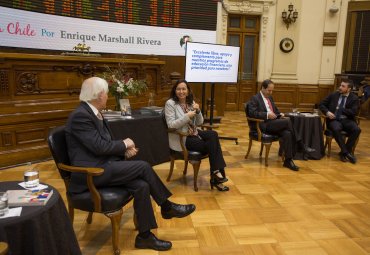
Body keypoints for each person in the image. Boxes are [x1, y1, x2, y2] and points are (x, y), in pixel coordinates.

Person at [65, 77, 196, 251]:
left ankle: (145, 236)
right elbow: (99, 146)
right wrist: (125, 144)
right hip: (91, 173)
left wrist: (122, 151)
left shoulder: (93, 112)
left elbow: (99, 144)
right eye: (105, 93)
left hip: (104, 165)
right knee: (142, 166)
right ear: (98, 95)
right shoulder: (81, 116)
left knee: (141, 186)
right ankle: (166, 206)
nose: (107, 96)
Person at [164, 79, 229, 191]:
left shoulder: (190, 102)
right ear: (175, 91)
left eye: (184, 89)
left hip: (194, 132)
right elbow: (171, 125)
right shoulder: (170, 104)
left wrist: (198, 111)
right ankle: (216, 176)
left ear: (188, 91)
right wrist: (187, 116)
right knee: (213, 146)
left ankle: (215, 173)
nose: (181, 91)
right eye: (178, 89)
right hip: (183, 137)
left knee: (213, 134)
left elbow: (199, 123)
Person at [247, 79, 315, 171]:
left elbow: (275, 110)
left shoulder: (270, 98)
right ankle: (300, 145)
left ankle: (288, 161)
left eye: (272, 90)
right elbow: (252, 113)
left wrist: (280, 114)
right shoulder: (255, 98)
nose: (270, 92)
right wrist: (267, 115)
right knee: (288, 122)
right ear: (263, 88)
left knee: (287, 133)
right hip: (263, 124)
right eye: (269, 90)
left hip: (273, 123)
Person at [319, 78, 361, 164]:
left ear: (349, 89)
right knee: (336, 128)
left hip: (347, 119)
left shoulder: (354, 98)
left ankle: (344, 152)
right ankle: (346, 153)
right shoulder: (334, 94)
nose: (340, 87)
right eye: (340, 85)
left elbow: (353, 112)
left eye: (343, 86)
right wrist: (327, 112)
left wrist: (341, 109)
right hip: (333, 119)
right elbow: (321, 104)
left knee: (357, 129)